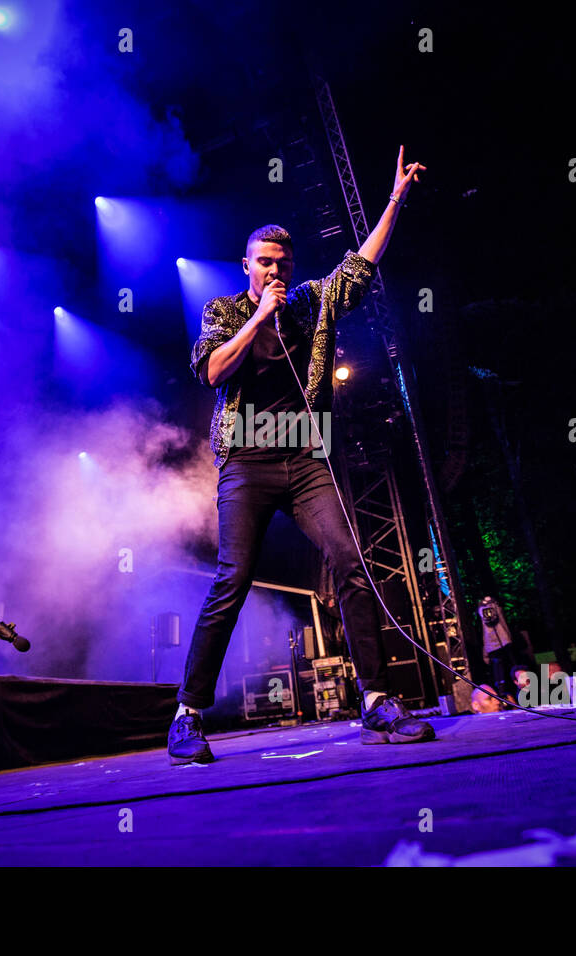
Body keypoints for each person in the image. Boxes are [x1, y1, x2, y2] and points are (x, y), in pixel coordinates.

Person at [169, 147, 431, 764]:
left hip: (306, 459)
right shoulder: (226, 310)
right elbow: (210, 370)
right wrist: (259, 316)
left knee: (351, 560)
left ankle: (375, 702)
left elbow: (362, 265)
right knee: (232, 579)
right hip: (246, 461)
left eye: (282, 264)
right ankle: (186, 713)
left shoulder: (313, 301)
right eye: (264, 264)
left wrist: (393, 199)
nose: (274, 271)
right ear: (246, 267)